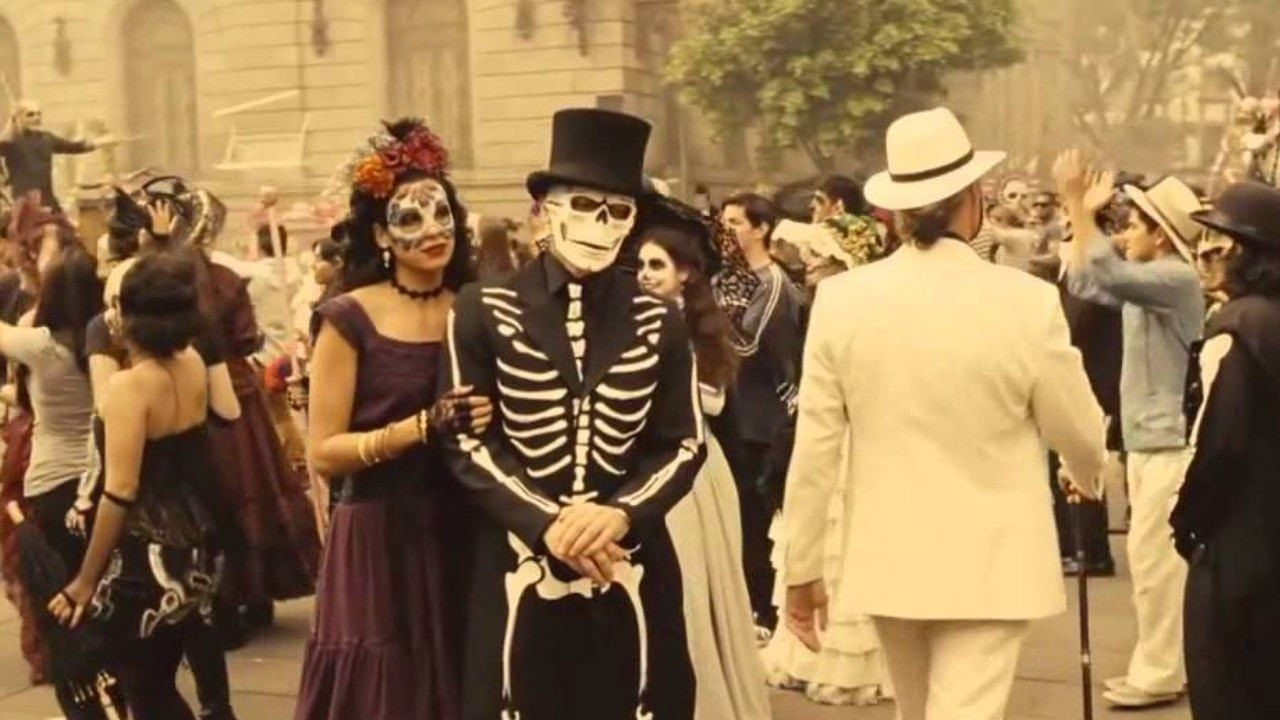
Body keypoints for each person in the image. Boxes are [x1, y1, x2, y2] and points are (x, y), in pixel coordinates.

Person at [784, 108, 1108, 720]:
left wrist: (802, 567)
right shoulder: (1025, 302)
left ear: (898, 212)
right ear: (974, 198)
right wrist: (1086, 472)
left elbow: (816, 447)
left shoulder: (843, 300)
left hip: (890, 554)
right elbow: (1078, 427)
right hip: (993, 560)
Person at [440, 108, 705, 720]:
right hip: (518, 560)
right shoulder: (482, 308)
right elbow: (465, 442)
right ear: (544, 210)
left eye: (618, 210)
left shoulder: (660, 320)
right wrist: (545, 523)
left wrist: (621, 514)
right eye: (584, 205)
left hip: (628, 560)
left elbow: (684, 441)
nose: (600, 224)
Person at [295, 118, 490, 720]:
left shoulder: (477, 310)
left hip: (464, 529)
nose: (433, 230)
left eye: (442, 214)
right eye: (410, 217)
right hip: (377, 535)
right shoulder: (348, 318)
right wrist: (420, 428)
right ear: (381, 234)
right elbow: (322, 450)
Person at [47, 252, 227, 720]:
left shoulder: (130, 387)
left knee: (147, 692)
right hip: (196, 543)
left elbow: (119, 492)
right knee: (161, 683)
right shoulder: (191, 362)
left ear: (127, 317)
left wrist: (85, 581)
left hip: (145, 561)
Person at [1056, 152, 1207, 709]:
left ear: (1162, 235)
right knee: (1152, 564)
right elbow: (1085, 280)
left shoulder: (1176, 277)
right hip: (1148, 440)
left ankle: (1160, 672)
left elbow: (1106, 272)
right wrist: (1080, 215)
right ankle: (1164, 664)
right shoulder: (1152, 280)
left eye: (1135, 225)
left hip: (1169, 442)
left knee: (1156, 567)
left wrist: (1078, 205)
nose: (1125, 234)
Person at [636, 215, 771, 720]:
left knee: (693, 583)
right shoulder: (633, 322)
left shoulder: (696, 330)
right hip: (645, 464)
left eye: (657, 265)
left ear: (685, 274)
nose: (646, 275)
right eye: (641, 266)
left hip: (693, 471)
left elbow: (713, 402)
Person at [1172, 181, 1280, 719]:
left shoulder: (1234, 329)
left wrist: (1187, 522)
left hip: (1237, 545)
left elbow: (1219, 444)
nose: (1205, 253)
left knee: (1228, 689)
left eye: (1219, 243)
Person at [0, 237, 109, 718]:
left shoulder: (42, 346)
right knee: (102, 590)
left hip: (52, 485)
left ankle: (83, 694)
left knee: (61, 601)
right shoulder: (108, 342)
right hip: (102, 482)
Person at [719, 191, 804, 632]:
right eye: (724, 222)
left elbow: (748, 345)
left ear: (761, 229)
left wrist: (704, 328)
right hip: (732, 413)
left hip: (761, 418)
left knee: (755, 519)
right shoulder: (729, 279)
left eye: (735, 223)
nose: (726, 231)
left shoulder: (772, 284)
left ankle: (764, 610)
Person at [0, 100, 100, 212]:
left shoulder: (46, 138)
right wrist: (10, 125)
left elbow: (73, 147)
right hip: (25, 202)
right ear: (18, 118)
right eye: (30, 114)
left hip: (47, 198)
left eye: (39, 114)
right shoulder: (10, 141)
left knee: (62, 222)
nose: (36, 118)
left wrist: (98, 143)